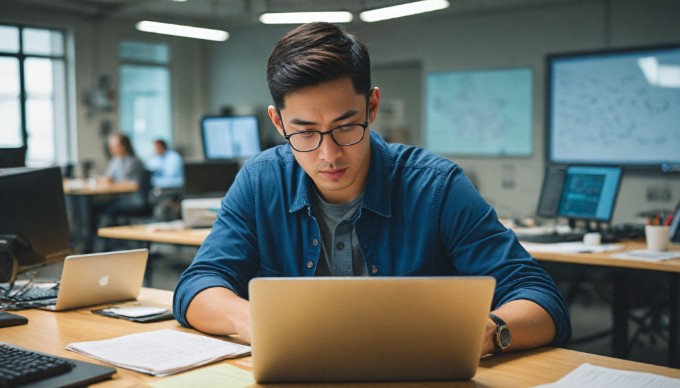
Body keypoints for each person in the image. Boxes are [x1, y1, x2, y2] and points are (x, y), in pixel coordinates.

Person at [174, 22, 571, 357]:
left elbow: (541, 299)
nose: (329, 155)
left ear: (372, 106)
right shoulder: (260, 181)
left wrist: (489, 330)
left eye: (346, 126)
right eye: (306, 132)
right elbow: (198, 284)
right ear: (278, 123)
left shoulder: (436, 187)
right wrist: (252, 322)